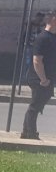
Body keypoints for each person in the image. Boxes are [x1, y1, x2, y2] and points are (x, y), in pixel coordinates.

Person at [21, 10, 56, 140]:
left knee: (36, 104)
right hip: (39, 78)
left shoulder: (53, 37)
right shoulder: (43, 38)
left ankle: (26, 132)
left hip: (47, 78)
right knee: (36, 105)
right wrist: (43, 79)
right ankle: (30, 133)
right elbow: (37, 60)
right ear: (53, 19)